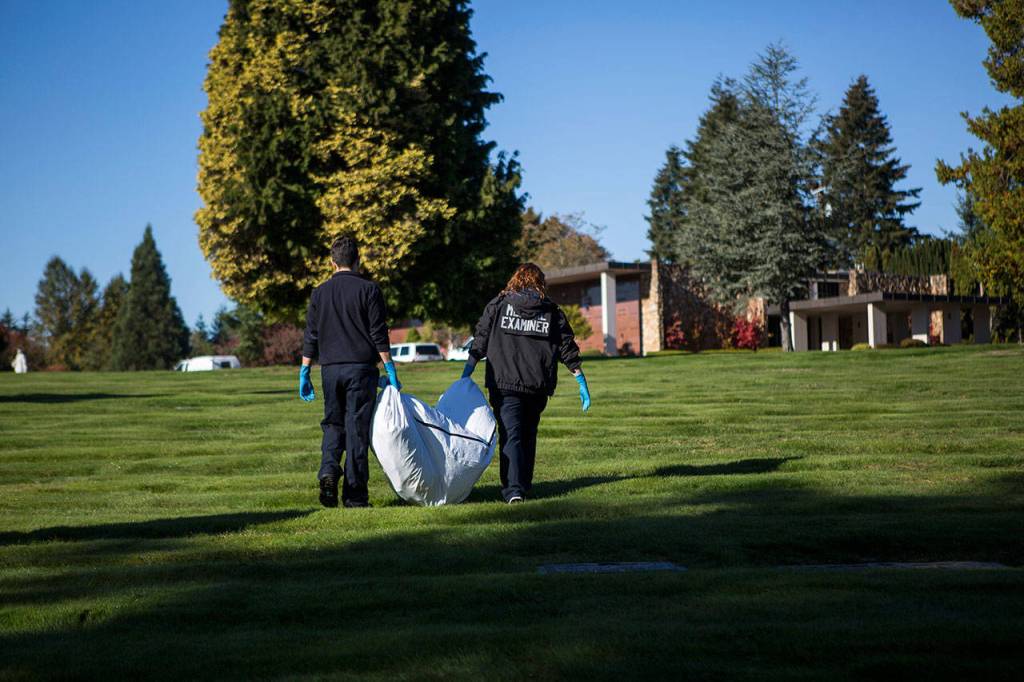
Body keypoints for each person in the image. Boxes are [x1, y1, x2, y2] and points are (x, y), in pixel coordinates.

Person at [461, 263, 591, 504]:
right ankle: (522, 485)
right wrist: (580, 378)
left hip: (504, 383)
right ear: (540, 282)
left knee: (512, 435)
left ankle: (514, 489)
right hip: (537, 385)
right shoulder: (550, 310)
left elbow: (481, 337)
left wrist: (467, 371)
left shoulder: (499, 305)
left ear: (515, 280)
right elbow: (566, 346)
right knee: (528, 434)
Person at [299, 235, 401, 509]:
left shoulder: (319, 293)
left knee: (333, 424)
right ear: (357, 260)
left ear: (332, 263)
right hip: (361, 368)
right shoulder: (369, 290)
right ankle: (355, 496)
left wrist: (305, 370)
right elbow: (378, 333)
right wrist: (390, 368)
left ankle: (329, 470)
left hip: (330, 369)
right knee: (357, 430)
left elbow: (312, 334)